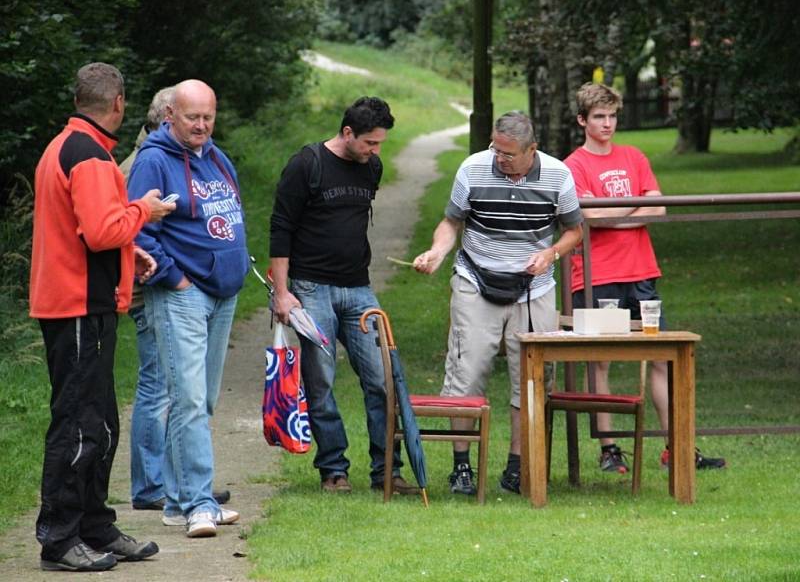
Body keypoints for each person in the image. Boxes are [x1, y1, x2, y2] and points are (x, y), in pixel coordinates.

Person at [29, 62, 174, 571]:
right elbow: (99, 230)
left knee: (102, 423)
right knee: (78, 425)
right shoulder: (88, 155)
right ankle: (60, 538)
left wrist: (131, 254)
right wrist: (144, 213)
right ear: (118, 103)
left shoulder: (68, 146)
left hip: (80, 302)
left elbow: (84, 230)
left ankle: (96, 526)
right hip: (76, 306)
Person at [413, 111, 584, 495]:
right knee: (466, 373)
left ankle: (517, 467)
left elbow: (574, 230)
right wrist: (439, 251)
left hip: (533, 288)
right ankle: (462, 468)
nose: (498, 158)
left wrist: (551, 255)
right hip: (475, 279)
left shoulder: (558, 175)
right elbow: (451, 222)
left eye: (508, 153)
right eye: (495, 148)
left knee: (531, 379)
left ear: (531, 150)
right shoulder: (473, 169)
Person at [565, 82, 726, 473]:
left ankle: (677, 448)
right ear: (582, 120)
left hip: (642, 275)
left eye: (612, 116)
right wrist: (636, 207)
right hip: (596, 277)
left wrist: (622, 213)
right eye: (599, 117)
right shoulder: (575, 165)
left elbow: (659, 207)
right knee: (600, 363)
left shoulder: (634, 156)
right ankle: (609, 449)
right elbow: (591, 216)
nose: (607, 124)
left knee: (662, 358)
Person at [269, 97, 414, 495]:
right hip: (311, 289)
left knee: (383, 378)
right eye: (369, 143)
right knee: (321, 383)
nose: (375, 151)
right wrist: (282, 293)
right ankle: (333, 469)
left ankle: (388, 471)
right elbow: (280, 228)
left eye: (380, 144)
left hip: (359, 288)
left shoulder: (372, 168)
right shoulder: (307, 165)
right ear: (347, 133)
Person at [127, 79, 248, 538]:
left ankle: (178, 502)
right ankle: (199, 502)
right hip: (183, 293)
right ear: (170, 116)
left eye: (208, 117)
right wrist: (173, 277)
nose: (201, 125)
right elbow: (137, 228)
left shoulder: (216, 156)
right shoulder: (153, 161)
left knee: (204, 399)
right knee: (188, 399)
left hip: (223, 293)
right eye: (192, 117)